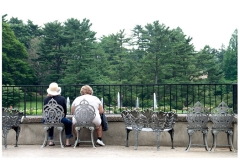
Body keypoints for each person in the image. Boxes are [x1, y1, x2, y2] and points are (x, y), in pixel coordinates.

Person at [44, 82, 73, 146]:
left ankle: (51, 141)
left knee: (50, 121)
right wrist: (63, 117)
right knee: (69, 123)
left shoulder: (46, 99)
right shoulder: (62, 98)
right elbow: (64, 110)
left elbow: (45, 111)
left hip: (47, 119)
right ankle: (67, 142)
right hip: (59, 118)